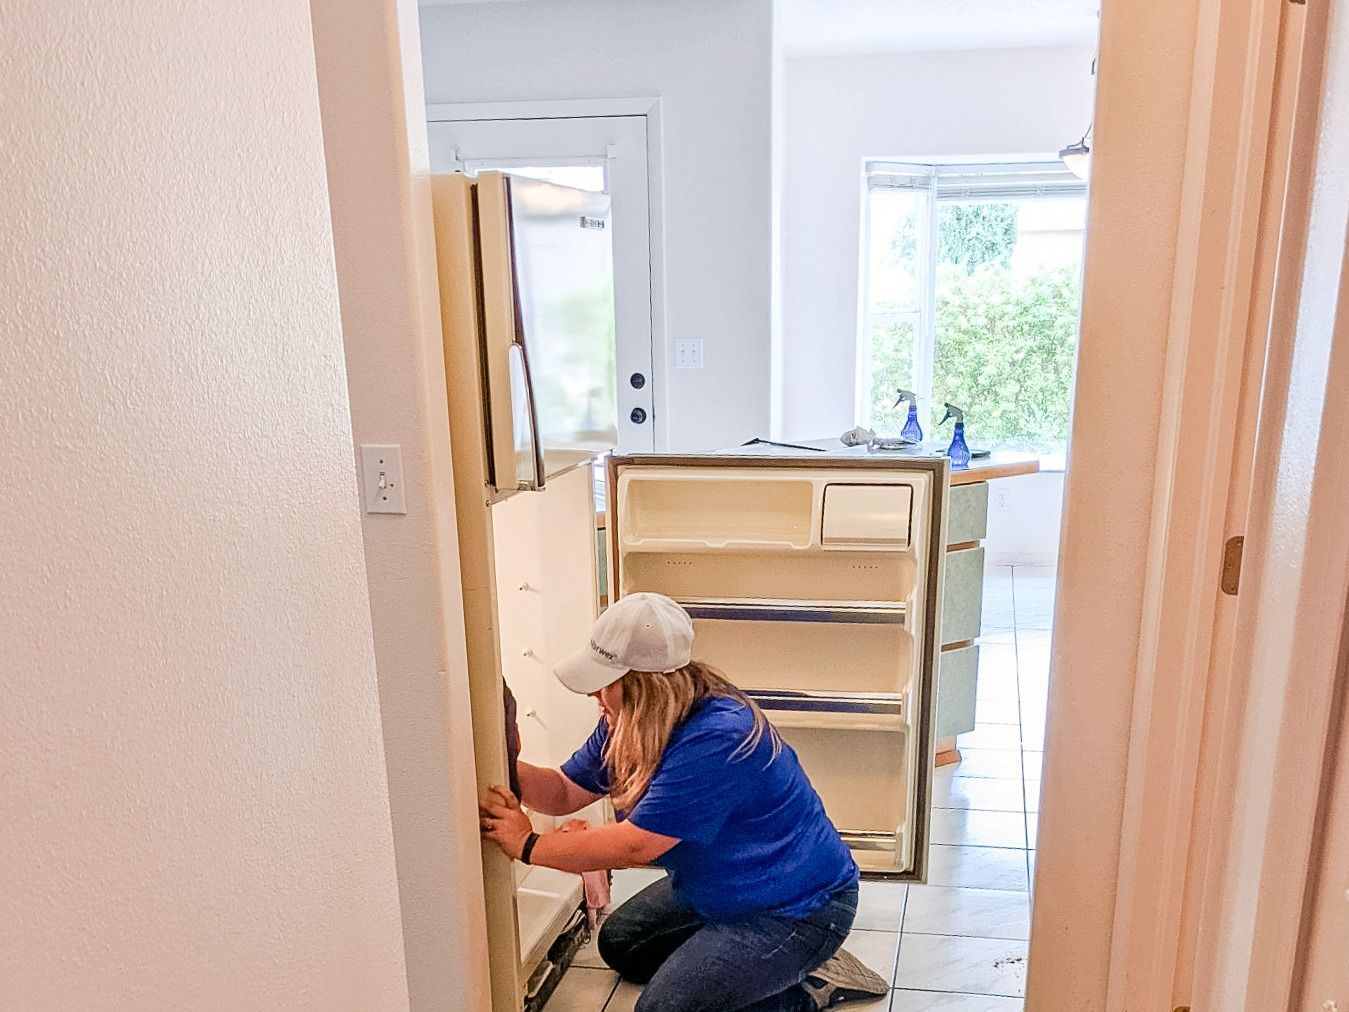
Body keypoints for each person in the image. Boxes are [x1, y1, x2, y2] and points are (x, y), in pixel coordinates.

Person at [479, 592, 887, 1011]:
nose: (594, 695)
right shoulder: (628, 721)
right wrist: (503, 760)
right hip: (721, 887)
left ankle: (808, 984)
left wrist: (529, 846)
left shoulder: (718, 738)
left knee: (663, 1009)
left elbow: (637, 843)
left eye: (605, 682)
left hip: (798, 908)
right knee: (623, 945)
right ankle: (759, 968)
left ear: (643, 685)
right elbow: (564, 791)